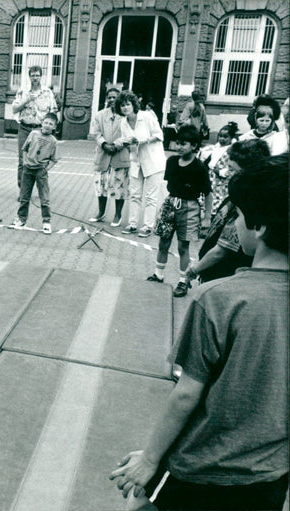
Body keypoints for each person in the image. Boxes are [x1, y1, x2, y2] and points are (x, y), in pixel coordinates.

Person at [110, 153, 288, 511]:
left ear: (259, 227)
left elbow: (186, 394)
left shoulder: (219, 299)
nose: (234, 224)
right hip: (269, 477)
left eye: (238, 216)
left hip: (201, 468)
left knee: (138, 505)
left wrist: (150, 458)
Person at [187, 139, 270, 284]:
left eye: (232, 169)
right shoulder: (236, 196)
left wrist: (194, 269)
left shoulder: (245, 205)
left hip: (221, 276)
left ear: (249, 172)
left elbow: (221, 250)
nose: (227, 173)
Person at [147, 125, 211, 297]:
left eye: (184, 144)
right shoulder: (172, 161)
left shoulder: (199, 167)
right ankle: (158, 274)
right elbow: (170, 185)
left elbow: (208, 193)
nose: (179, 147)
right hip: (170, 204)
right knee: (163, 242)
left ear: (194, 146)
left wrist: (206, 218)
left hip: (189, 208)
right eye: (178, 143)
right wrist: (166, 207)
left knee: (183, 247)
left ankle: (183, 281)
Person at [118, 91, 166, 238]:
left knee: (151, 197)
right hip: (136, 161)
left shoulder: (146, 116)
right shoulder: (123, 122)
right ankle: (132, 224)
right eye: (122, 105)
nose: (125, 107)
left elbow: (159, 135)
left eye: (128, 104)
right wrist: (126, 143)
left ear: (134, 105)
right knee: (134, 195)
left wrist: (143, 141)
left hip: (153, 161)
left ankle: (147, 226)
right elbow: (126, 142)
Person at [7, 112, 59, 234]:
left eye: (50, 124)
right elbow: (24, 149)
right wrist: (25, 161)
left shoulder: (53, 141)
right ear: (42, 123)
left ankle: (46, 221)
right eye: (46, 122)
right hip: (28, 169)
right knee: (24, 196)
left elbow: (54, 159)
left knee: (44, 198)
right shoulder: (33, 134)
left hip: (41, 171)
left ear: (54, 127)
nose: (47, 125)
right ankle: (21, 219)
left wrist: (46, 169)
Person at [87, 87, 130, 226]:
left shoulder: (126, 115)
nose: (111, 100)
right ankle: (101, 212)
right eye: (109, 97)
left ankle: (118, 215)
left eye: (114, 97)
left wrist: (116, 145)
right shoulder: (100, 115)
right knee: (101, 185)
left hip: (120, 155)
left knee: (120, 186)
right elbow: (96, 133)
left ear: (119, 99)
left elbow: (128, 135)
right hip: (103, 155)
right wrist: (104, 144)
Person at [11, 65, 59, 186]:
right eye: (33, 76)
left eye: (37, 75)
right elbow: (14, 109)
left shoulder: (48, 93)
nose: (35, 78)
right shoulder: (23, 91)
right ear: (29, 77)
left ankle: (40, 186)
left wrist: (50, 129)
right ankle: (23, 189)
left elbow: (53, 112)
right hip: (25, 128)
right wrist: (26, 100)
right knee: (23, 158)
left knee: (40, 159)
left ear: (41, 76)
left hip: (40, 130)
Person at [198, 122, 238, 217]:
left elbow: (232, 169)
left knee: (219, 200)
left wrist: (220, 172)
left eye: (225, 137)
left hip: (223, 182)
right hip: (212, 179)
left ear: (231, 138)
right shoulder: (216, 148)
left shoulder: (232, 151)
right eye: (220, 136)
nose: (222, 139)